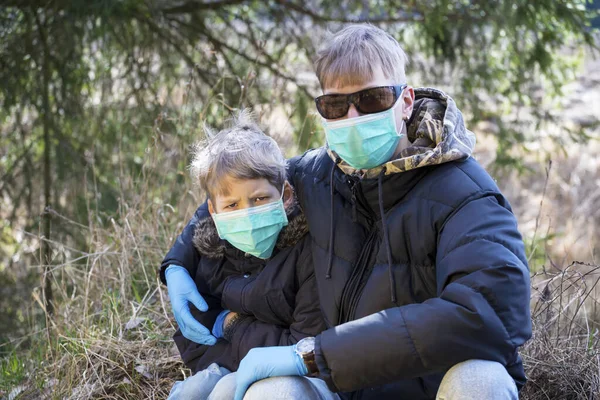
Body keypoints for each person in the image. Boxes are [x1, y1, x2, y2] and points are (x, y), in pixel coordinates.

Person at [160, 24, 531, 400]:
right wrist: (176, 265)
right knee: (274, 391)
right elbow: (238, 191)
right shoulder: (312, 176)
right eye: (335, 106)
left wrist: (311, 355)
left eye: (371, 99)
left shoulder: (467, 195)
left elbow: (490, 315)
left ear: (405, 101)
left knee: (480, 380)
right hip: (337, 390)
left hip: (431, 389)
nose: (352, 116)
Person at [165, 113, 328, 400]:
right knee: (191, 393)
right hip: (227, 360)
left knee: (226, 392)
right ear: (213, 212)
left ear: (285, 195)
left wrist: (230, 325)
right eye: (232, 205)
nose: (248, 214)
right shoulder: (211, 253)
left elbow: (304, 343)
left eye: (260, 199)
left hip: (298, 376)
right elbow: (194, 338)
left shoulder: (306, 253)